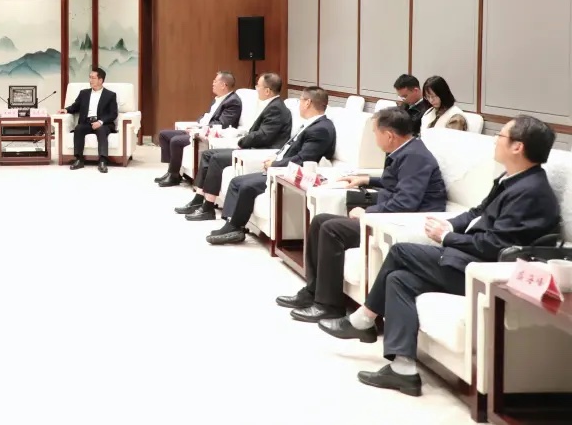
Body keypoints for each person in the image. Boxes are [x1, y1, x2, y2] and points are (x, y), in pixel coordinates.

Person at [318, 115, 561, 397]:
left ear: (518, 147)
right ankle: (403, 369)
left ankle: (364, 318)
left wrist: (447, 238)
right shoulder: (511, 179)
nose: (496, 140)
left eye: (502, 136)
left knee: (400, 251)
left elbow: (496, 245)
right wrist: (449, 226)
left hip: (483, 274)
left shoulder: (531, 191)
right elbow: (476, 213)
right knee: (399, 279)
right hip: (468, 259)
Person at [277, 107, 447, 322]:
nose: (374, 137)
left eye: (375, 132)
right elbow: (395, 182)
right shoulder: (407, 150)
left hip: (402, 223)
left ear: (389, 135)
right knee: (320, 221)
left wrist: (368, 213)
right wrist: (367, 179)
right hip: (389, 216)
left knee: (331, 229)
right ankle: (313, 291)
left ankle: (328, 305)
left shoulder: (415, 157)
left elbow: (406, 202)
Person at [205, 86, 337, 245]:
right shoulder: (311, 124)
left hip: (287, 174)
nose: (299, 104)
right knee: (236, 182)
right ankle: (231, 226)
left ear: (308, 102)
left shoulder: (321, 129)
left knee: (247, 186)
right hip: (280, 167)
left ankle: (235, 228)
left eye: (301, 100)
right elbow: (290, 148)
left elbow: (303, 159)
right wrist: (274, 157)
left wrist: (275, 164)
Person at [176, 73, 292, 218]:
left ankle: (208, 207)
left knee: (216, 159)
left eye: (258, 86)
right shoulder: (270, 105)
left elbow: (263, 136)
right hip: (252, 146)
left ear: (267, 91)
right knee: (207, 154)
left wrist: (241, 141)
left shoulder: (276, 109)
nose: (256, 89)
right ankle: (198, 199)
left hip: (259, 151)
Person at [155, 71, 242, 187]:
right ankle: (171, 171)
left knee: (176, 141)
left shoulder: (233, 101)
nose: (213, 83)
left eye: (215, 81)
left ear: (223, 85)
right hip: (200, 129)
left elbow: (222, 124)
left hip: (208, 134)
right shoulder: (218, 99)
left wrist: (199, 128)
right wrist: (196, 125)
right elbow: (206, 116)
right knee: (164, 135)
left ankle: (174, 176)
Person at [59, 67, 118, 174]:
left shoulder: (110, 95)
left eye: (93, 78)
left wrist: (100, 122)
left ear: (100, 80)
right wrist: (66, 110)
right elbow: (75, 106)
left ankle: (102, 161)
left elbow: (113, 114)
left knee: (101, 130)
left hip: (102, 123)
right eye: (90, 77)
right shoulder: (84, 93)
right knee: (79, 129)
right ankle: (79, 159)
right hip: (87, 122)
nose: (90, 80)